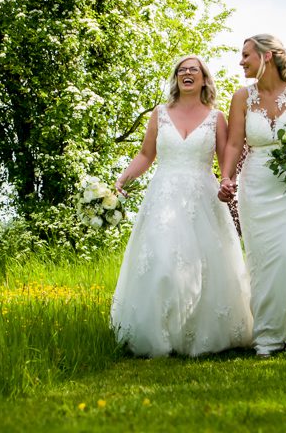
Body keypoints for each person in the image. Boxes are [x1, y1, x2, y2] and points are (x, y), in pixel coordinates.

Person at [110, 55, 252, 357]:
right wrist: (123, 178)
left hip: (202, 197)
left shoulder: (216, 117)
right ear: (176, 78)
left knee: (203, 264)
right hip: (163, 196)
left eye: (194, 70)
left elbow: (224, 156)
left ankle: (197, 333)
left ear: (203, 79)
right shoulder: (159, 114)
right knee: (162, 258)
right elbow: (146, 156)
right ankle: (161, 333)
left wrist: (227, 180)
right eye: (182, 70)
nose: (187, 74)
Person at [218, 34, 286, 356]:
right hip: (255, 186)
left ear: (266, 56)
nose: (241, 62)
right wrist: (227, 177)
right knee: (262, 262)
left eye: (246, 56)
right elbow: (236, 144)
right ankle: (267, 336)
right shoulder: (242, 97)